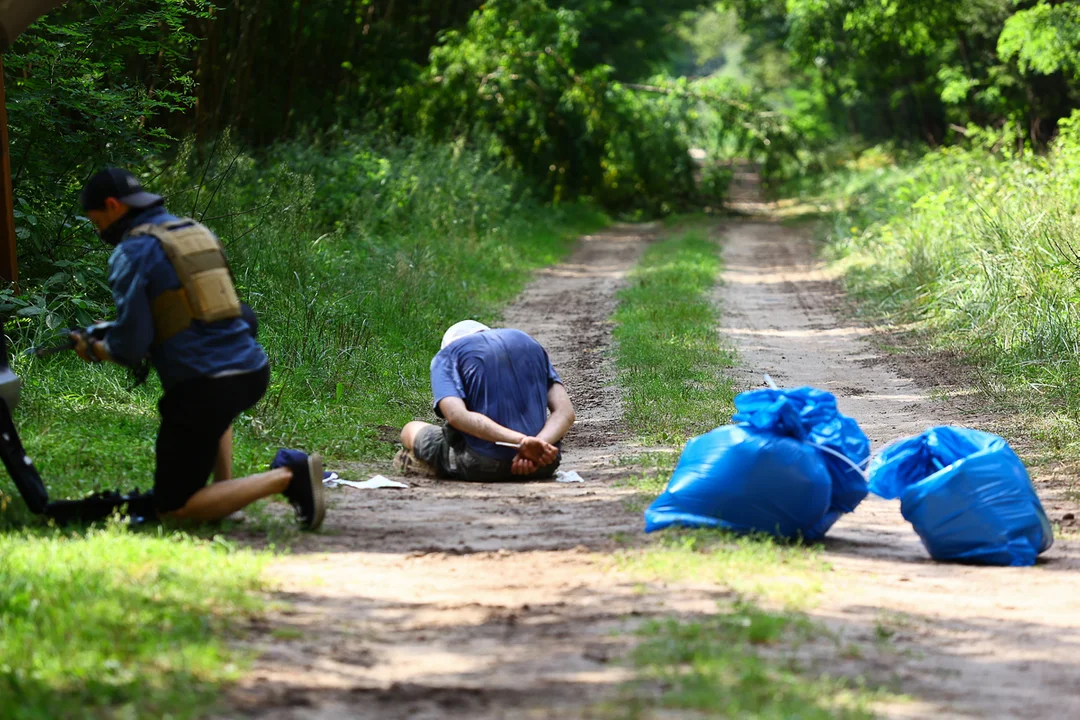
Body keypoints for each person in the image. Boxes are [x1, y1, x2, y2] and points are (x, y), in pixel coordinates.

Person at [73, 167, 325, 529]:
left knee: (173, 508)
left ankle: (289, 475)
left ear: (112, 206)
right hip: (250, 370)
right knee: (213, 415)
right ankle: (226, 498)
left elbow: (131, 347)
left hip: (204, 388)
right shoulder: (194, 232)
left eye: (94, 219)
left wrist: (96, 349)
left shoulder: (131, 252)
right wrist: (106, 330)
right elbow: (204, 314)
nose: (97, 229)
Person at [397, 320, 576, 481]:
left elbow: (455, 415)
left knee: (410, 429)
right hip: (544, 462)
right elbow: (565, 413)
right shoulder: (528, 342)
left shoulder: (446, 357)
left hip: (482, 465)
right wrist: (537, 445)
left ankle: (431, 466)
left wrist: (521, 442)